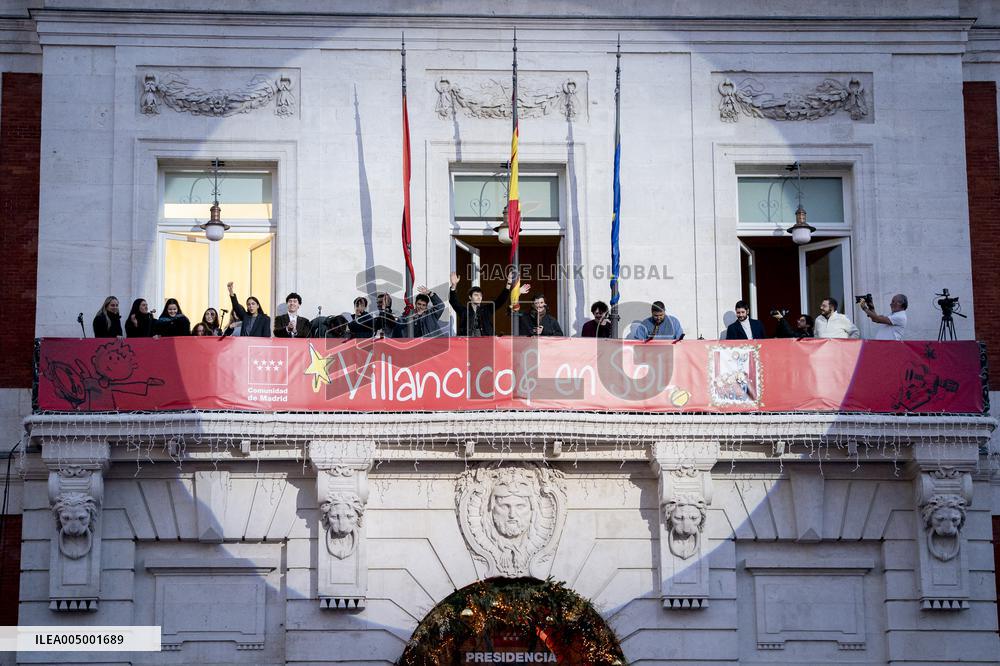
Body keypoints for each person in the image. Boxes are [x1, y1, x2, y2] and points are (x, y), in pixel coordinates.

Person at [448, 269, 529, 336]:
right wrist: (453, 286)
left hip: (486, 343)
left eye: (480, 295)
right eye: (476, 295)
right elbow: (454, 302)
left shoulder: (486, 309)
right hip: (467, 344)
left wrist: (508, 284)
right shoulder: (464, 311)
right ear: (470, 297)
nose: (479, 297)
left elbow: (500, 301)